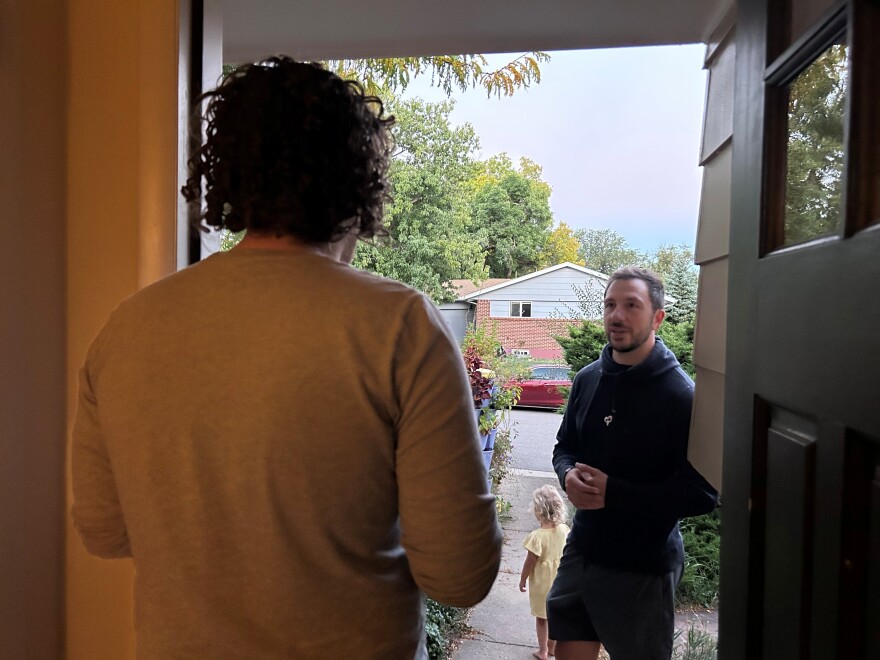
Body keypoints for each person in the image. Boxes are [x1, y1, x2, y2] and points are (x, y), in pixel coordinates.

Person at [70, 57, 502, 659]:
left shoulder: (127, 329)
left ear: (228, 177)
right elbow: (460, 575)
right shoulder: (399, 327)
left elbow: (105, 532)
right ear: (359, 182)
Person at [547, 266, 718, 660]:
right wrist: (567, 474)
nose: (617, 316)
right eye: (610, 305)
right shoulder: (588, 380)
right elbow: (564, 447)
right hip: (582, 551)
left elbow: (703, 493)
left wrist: (614, 492)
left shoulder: (681, 397)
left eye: (631, 305)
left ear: (657, 317)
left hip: (642, 566)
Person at [519, 485, 571, 660]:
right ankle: (552, 648)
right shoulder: (564, 530)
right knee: (555, 617)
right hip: (560, 583)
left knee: (542, 619)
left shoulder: (537, 536)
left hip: (542, 585)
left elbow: (529, 563)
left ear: (538, 511)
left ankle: (542, 651)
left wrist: (523, 579)